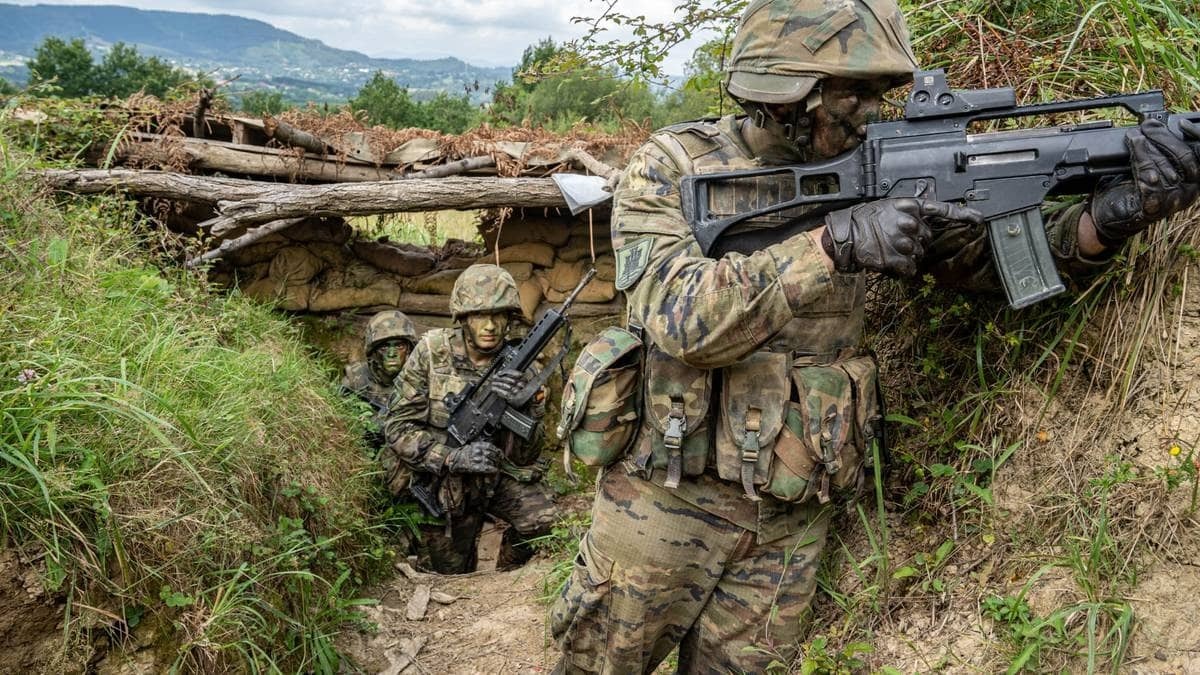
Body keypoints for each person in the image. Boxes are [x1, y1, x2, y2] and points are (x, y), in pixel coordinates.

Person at [549, 0, 1200, 672]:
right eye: (851, 92)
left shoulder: (876, 161)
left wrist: (1108, 221)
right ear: (787, 94)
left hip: (789, 512)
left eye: (879, 91)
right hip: (662, 501)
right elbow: (683, 318)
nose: (872, 110)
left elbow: (989, 263)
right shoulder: (672, 167)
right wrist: (835, 242)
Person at [382, 264, 557, 574]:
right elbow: (397, 427)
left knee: (545, 521)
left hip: (495, 475)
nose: (489, 325)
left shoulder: (522, 368)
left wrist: (524, 405)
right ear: (462, 318)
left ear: (509, 319)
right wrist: (451, 457)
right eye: (479, 315)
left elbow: (527, 456)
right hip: (444, 480)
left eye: (498, 315)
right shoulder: (433, 353)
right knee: (450, 570)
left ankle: (507, 577)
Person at [341, 309, 418, 452]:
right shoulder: (356, 379)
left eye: (399, 346)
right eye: (384, 347)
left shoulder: (419, 382)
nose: (391, 353)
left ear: (409, 350)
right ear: (374, 352)